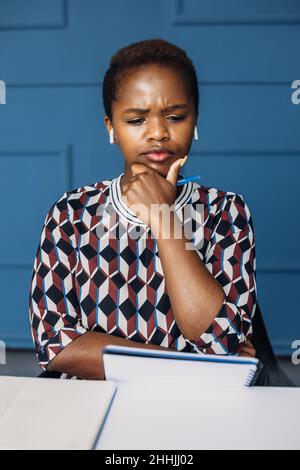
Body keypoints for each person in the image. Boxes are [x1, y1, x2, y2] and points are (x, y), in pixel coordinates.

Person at [29, 38, 257, 380]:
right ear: (111, 128)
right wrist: (196, 367)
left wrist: (162, 215)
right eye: (136, 120)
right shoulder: (72, 213)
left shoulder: (226, 212)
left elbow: (217, 339)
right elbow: (56, 344)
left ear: (195, 120)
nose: (158, 134)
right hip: (89, 402)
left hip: (191, 409)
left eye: (176, 116)